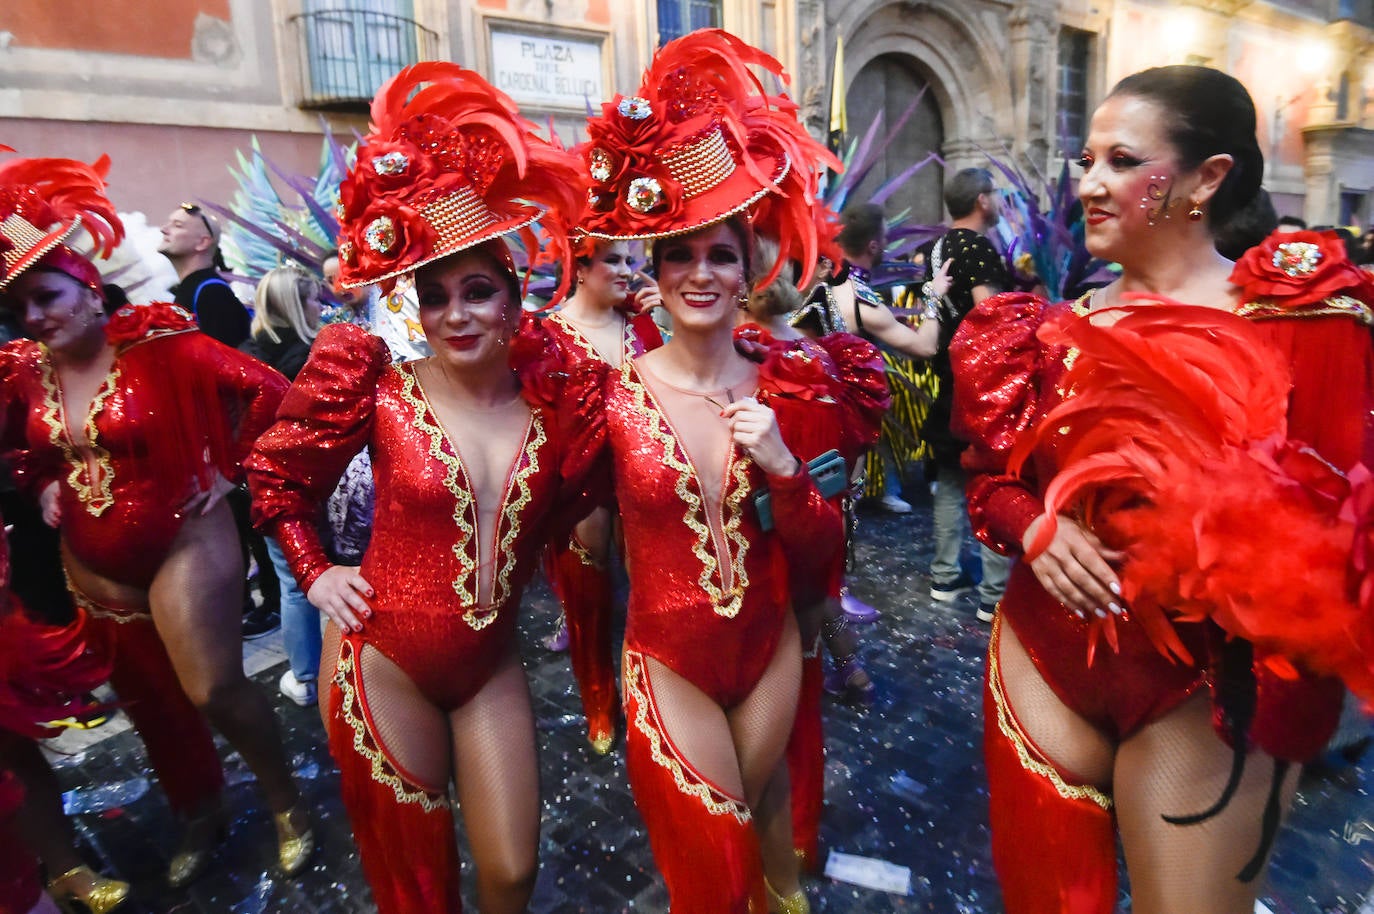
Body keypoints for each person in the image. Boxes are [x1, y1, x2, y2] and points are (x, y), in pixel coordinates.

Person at [950, 66, 1374, 914]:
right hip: (1040, 661)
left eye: (1120, 159)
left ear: (1206, 178)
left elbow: (1339, 555)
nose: (1089, 184)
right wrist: (1034, 525)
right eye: (1086, 159)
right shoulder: (1048, 331)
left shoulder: (1306, 324)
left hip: (1204, 698)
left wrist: (1284, 719)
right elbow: (990, 480)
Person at [246, 62, 595, 914]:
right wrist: (315, 570)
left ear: (516, 299)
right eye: (435, 298)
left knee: (512, 868)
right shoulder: (377, 385)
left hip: (487, 664)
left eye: (478, 290)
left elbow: (599, 495)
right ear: (416, 311)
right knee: (419, 885)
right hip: (382, 662)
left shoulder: (560, 406)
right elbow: (274, 475)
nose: (458, 314)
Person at [577, 29, 883, 912]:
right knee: (711, 867)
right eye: (681, 255)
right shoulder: (603, 395)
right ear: (655, 272)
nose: (701, 273)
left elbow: (825, 549)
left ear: (751, 270)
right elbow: (536, 510)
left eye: (722, 254)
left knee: (768, 834)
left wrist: (785, 468)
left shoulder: (798, 385)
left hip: (770, 646)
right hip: (667, 658)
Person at [0, 152, 310, 889]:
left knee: (211, 690)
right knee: (148, 703)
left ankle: (283, 800)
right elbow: (17, 442)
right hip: (92, 558)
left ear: (86, 288)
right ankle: (199, 808)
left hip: (184, 542)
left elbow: (272, 391)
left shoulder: (162, 346)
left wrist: (230, 469)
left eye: (45, 298)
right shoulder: (22, 370)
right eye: (20, 310)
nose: (35, 320)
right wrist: (43, 477)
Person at [736, 237, 889, 868]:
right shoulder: (825, 360)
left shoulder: (735, 363)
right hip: (819, 545)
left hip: (749, 565)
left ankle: (765, 835)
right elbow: (845, 462)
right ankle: (799, 836)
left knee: (768, 692)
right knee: (801, 683)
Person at [541, 237, 663, 751]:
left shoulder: (640, 324)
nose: (627, 270)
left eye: (629, 260)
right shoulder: (547, 335)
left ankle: (653, 692)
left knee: (654, 592)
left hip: (643, 483)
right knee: (587, 602)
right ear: (580, 267)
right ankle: (599, 701)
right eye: (613, 260)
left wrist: (672, 320)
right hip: (579, 485)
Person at [919, 168, 1014, 621]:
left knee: (951, 483)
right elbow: (989, 316)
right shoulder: (978, 247)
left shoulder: (937, 248)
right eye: (995, 195)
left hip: (948, 380)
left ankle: (944, 575)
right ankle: (994, 594)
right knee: (992, 480)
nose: (998, 202)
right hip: (981, 387)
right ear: (982, 200)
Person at [821, 202, 943, 514]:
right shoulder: (860, 299)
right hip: (841, 422)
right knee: (837, 513)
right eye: (886, 238)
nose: (888, 244)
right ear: (873, 244)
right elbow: (924, 347)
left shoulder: (812, 281)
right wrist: (934, 296)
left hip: (804, 413)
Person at [241, 266, 325, 705]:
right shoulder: (314, 355)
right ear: (297, 304)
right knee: (331, 573)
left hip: (267, 487)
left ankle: (307, 678)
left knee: (294, 584)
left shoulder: (242, 354)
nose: (320, 306)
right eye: (313, 299)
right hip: (318, 483)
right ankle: (343, 671)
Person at [160, 202, 251, 347]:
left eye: (177, 225)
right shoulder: (195, 289)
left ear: (202, 242)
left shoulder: (212, 293)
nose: (163, 229)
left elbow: (224, 362)